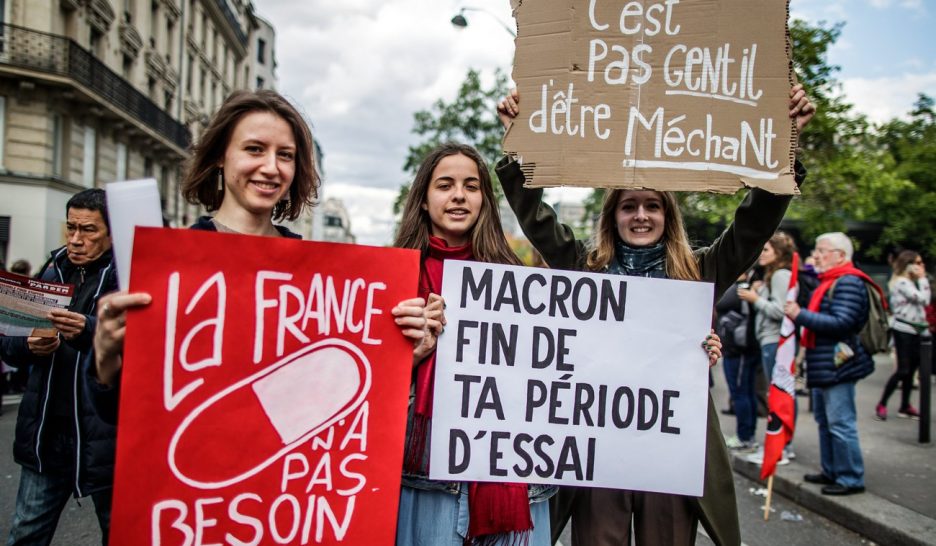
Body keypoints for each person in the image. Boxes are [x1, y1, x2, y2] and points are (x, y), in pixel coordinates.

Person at [497, 84, 813, 545]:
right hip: (599, 449)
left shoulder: (699, 270)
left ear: (668, 216)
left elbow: (752, 226)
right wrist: (517, 144)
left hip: (671, 449)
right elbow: (536, 218)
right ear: (613, 216)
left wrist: (786, 144)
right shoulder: (585, 267)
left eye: (652, 206)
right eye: (629, 206)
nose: (641, 216)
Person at [90, 90, 433, 420]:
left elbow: (336, 397)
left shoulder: (320, 278)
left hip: (288, 459)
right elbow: (127, 413)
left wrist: (404, 354)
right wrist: (106, 359)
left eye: (285, 155)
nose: (271, 167)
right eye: (254, 149)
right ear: (220, 156)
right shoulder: (167, 265)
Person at [393, 142, 555, 545]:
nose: (459, 196)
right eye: (444, 185)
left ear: (484, 199)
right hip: (424, 480)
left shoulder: (520, 282)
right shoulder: (391, 280)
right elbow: (363, 388)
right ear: (423, 199)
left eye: (471, 186)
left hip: (514, 473)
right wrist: (412, 356)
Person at [1, 189, 118, 545]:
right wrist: (28, 345)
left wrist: (89, 331)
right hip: (48, 434)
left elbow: (144, 348)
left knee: (121, 534)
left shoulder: (127, 277)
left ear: (112, 234)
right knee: (26, 533)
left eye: (89, 230)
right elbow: (8, 342)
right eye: (71, 228)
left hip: (105, 440)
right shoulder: (52, 270)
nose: (76, 239)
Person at [783, 232, 876, 496]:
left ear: (841, 255)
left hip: (838, 365)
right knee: (826, 421)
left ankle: (850, 477)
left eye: (822, 251)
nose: (816, 256)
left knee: (840, 423)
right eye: (817, 250)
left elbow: (841, 322)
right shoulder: (832, 281)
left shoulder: (848, 282)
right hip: (827, 363)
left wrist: (800, 314)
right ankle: (832, 470)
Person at [739, 231, 798, 463]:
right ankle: (778, 445)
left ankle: (781, 447)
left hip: (775, 341)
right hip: (770, 340)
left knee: (779, 393)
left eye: (766, 250)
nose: (760, 254)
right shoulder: (773, 275)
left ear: (779, 253)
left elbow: (780, 310)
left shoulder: (780, 275)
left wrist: (755, 299)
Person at [876, 250, 930, 420]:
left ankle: (905, 405)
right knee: (903, 369)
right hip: (903, 329)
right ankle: (882, 403)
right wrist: (923, 279)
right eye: (918, 263)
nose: (922, 266)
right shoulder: (901, 282)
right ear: (908, 265)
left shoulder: (914, 283)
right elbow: (923, 299)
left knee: (912, 369)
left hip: (917, 329)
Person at [715, 272, 761, 452]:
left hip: (739, 349)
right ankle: (747, 435)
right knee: (746, 393)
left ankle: (745, 437)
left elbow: (718, 301)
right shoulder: (747, 288)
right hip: (742, 348)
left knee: (740, 393)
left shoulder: (741, 289)